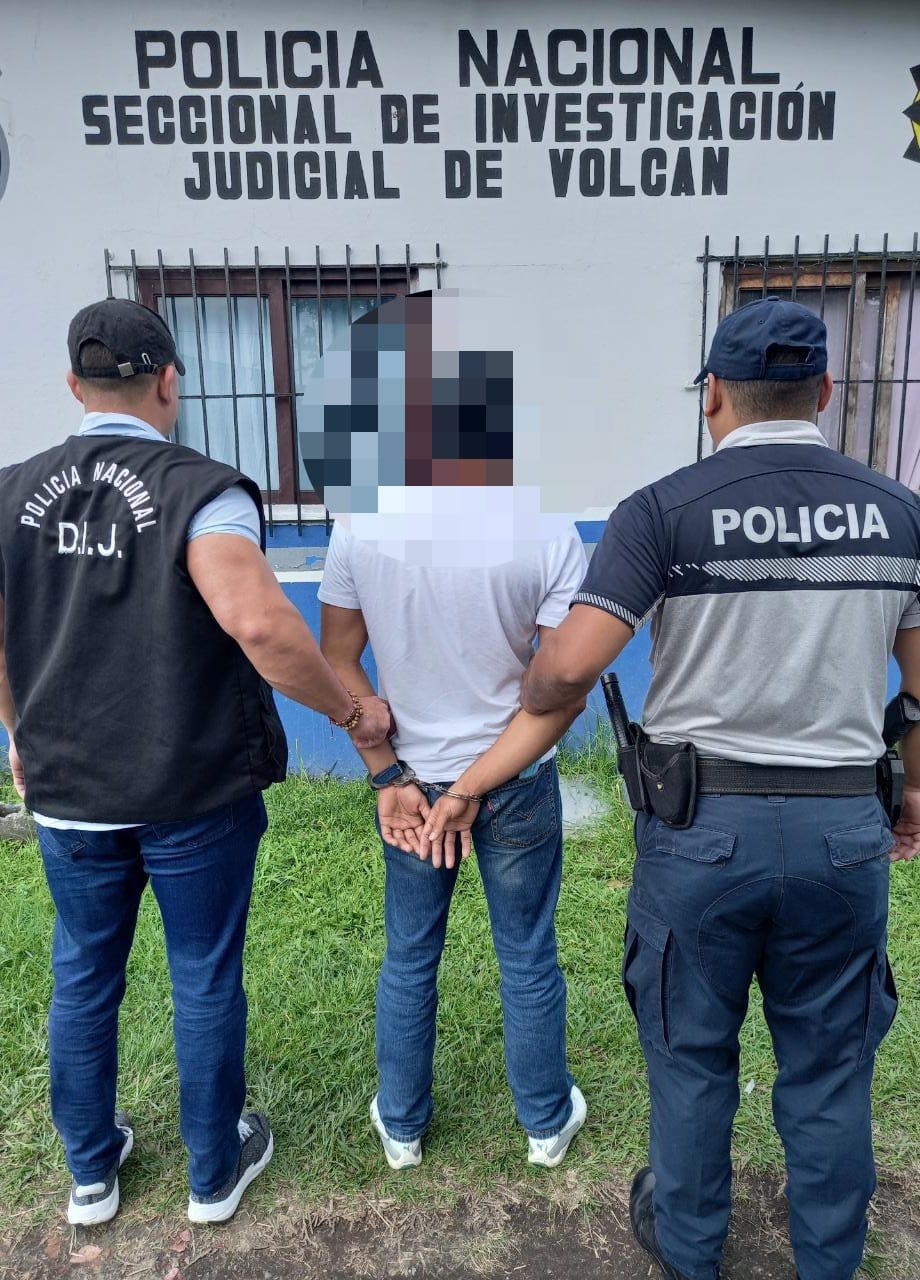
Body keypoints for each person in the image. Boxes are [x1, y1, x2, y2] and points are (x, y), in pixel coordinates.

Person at [509, 297, 920, 1280]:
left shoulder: (663, 510)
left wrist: (536, 685)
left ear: (712, 397)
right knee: (831, 1068)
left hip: (700, 834)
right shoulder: (898, 513)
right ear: (824, 392)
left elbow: (570, 668)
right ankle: (830, 1259)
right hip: (841, 833)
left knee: (690, 1059)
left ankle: (690, 1251)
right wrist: (910, 796)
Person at [0, 298, 391, 1227]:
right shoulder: (202, 490)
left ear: (73, 386)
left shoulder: (9, 493)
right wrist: (352, 714)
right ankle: (214, 1173)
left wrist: (19, 733)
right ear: (170, 380)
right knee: (204, 972)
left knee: (83, 972)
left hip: (68, 787)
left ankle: (91, 1174)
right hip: (192, 786)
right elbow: (259, 624)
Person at [319, 512, 589, 1171]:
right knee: (527, 953)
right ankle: (546, 1123)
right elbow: (566, 687)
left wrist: (386, 770)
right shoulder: (546, 528)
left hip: (412, 782)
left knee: (410, 954)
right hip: (515, 776)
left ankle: (401, 1128)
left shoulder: (358, 525)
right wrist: (471, 787)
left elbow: (336, 658)